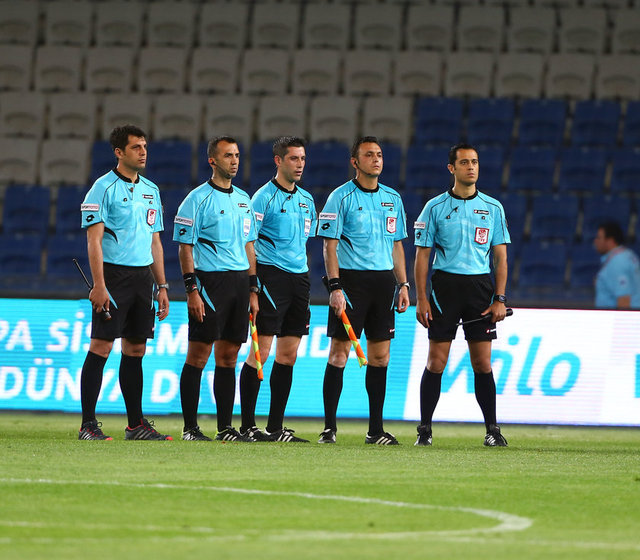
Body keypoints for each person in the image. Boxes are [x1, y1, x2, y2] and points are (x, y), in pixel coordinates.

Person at [78, 124, 172, 441]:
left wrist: (162, 286)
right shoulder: (102, 189)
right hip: (113, 276)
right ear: (119, 152)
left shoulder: (151, 190)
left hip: (143, 278)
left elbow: (155, 242)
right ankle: (88, 425)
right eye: (136, 147)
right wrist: (99, 285)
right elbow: (94, 241)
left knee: (136, 349)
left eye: (144, 146)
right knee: (102, 346)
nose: (143, 152)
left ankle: (135, 425)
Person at [413, 142, 510, 448]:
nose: (471, 167)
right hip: (445, 288)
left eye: (475, 162)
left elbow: (500, 258)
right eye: (465, 162)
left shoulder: (493, 208)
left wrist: (500, 298)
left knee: (482, 363)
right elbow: (422, 256)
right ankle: (425, 430)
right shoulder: (434, 208)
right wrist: (422, 298)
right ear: (451, 168)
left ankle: (492, 430)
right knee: (436, 361)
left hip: (480, 289)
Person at [316, 136, 410, 445]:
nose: (376, 159)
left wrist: (403, 285)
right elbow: (329, 246)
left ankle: (375, 430)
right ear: (355, 162)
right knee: (339, 353)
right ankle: (329, 428)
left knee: (380, 357)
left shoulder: (393, 198)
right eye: (369, 155)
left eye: (379, 154)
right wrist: (335, 287)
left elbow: (397, 246)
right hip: (351, 283)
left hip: (383, 283)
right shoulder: (340, 197)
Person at [174, 135, 259, 442]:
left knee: (229, 357)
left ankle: (225, 428)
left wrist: (253, 289)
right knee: (198, 355)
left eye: (236, 155)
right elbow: (185, 248)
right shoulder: (196, 199)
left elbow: (249, 246)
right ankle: (190, 428)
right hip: (209, 284)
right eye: (227, 156)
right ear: (212, 160)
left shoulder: (244, 199)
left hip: (239, 284)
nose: (234, 161)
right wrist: (191, 291)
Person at [238, 137, 317, 443]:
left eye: (303, 159)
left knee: (289, 355)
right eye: (294, 158)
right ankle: (247, 426)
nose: (300, 164)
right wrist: (253, 285)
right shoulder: (262, 198)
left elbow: (304, 241)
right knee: (261, 351)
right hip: (270, 277)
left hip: (300, 279)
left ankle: (275, 427)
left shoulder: (307, 200)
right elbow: (248, 243)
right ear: (278, 161)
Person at [593, 221, 640, 309]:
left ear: (610, 241)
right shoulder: (627, 254)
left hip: (619, 317)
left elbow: (624, 302)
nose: (595, 241)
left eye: (599, 238)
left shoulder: (618, 262)